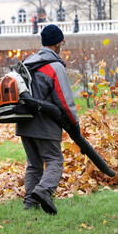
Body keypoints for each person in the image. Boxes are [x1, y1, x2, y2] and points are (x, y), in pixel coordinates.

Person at [16, 24, 80, 215]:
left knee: (34, 164)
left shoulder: (27, 62)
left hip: (25, 122)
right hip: (46, 123)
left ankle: (29, 204)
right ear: (59, 43)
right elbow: (64, 100)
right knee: (54, 160)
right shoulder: (54, 66)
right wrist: (74, 124)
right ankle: (43, 191)